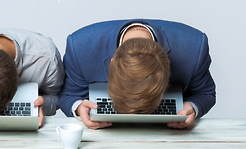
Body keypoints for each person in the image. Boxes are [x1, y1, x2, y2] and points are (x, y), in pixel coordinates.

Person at [59, 19, 216, 130]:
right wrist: (78, 107)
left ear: (167, 64)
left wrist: (193, 107)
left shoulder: (194, 47)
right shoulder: (80, 46)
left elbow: (205, 93)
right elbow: (68, 96)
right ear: (111, 62)